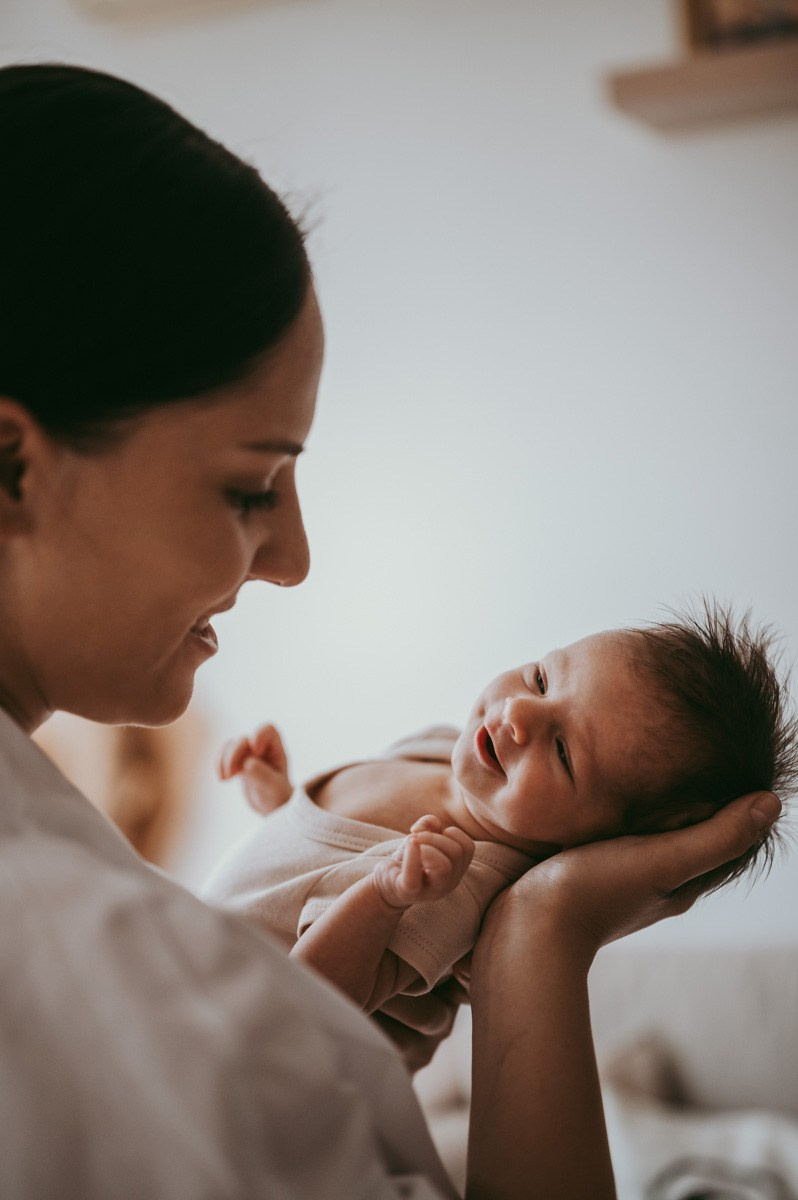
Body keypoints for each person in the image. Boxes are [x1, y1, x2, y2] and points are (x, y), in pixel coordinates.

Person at [0, 61, 781, 1200]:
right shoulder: (96, 986)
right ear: (14, 463)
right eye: (249, 488)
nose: (295, 558)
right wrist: (542, 943)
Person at [205, 606, 795, 1016]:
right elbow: (309, 878)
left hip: (237, 1036)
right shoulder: (438, 746)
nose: (518, 713)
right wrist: (280, 803)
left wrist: (383, 898)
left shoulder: (463, 884)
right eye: (541, 678)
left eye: (563, 752)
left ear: (609, 840)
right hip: (188, 956)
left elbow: (320, 1000)